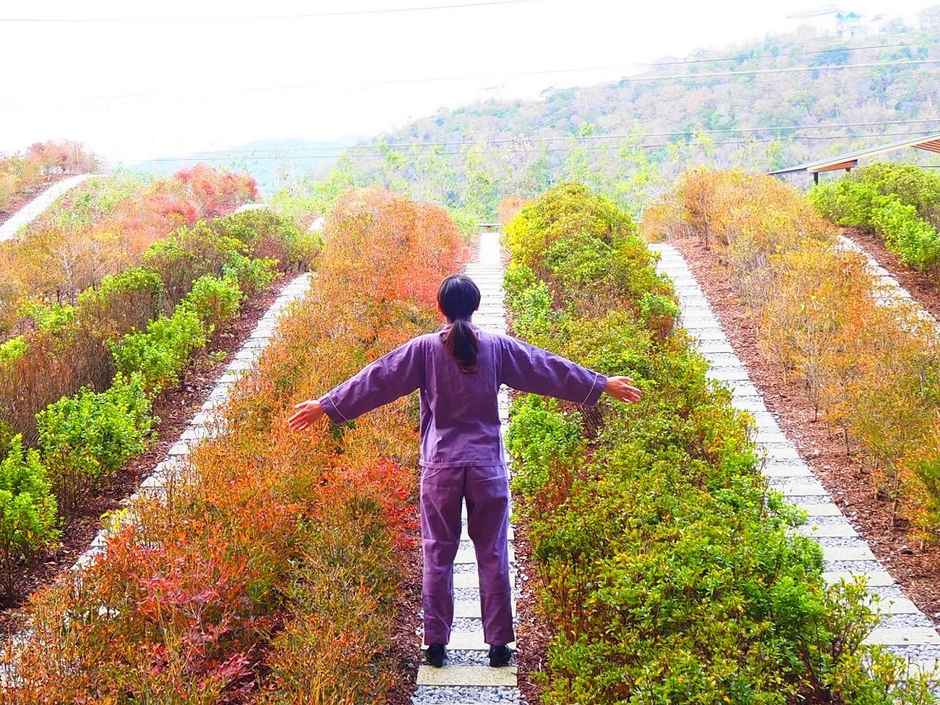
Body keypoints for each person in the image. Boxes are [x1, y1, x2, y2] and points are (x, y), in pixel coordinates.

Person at [287, 274, 641, 669]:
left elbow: (379, 379)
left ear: (439, 308)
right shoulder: (498, 347)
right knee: (492, 552)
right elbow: (545, 367)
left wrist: (327, 405)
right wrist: (600, 384)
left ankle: (436, 644)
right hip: (487, 466)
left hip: (440, 467)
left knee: (438, 552)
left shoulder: (424, 349)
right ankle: (499, 645)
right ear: (476, 306)